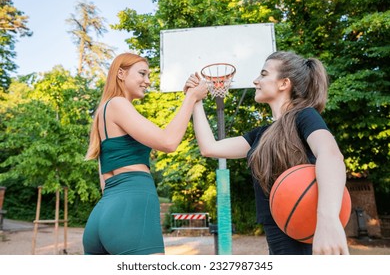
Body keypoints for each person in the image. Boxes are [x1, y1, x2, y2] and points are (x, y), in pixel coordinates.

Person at [187, 51, 349, 255]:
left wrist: (328, 219)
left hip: (308, 240)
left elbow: (331, 155)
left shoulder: (304, 116)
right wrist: (195, 100)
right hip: (278, 245)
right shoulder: (261, 135)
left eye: (263, 74)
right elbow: (209, 147)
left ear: (284, 83)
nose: (256, 80)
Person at [82, 53, 208, 255]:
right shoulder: (118, 104)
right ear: (121, 73)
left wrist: (189, 99)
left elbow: (104, 183)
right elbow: (168, 142)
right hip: (131, 206)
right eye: (142, 73)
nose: (147, 81)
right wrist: (192, 97)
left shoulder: (101, 114)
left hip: (102, 214)